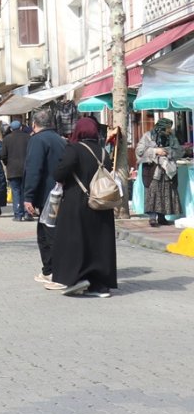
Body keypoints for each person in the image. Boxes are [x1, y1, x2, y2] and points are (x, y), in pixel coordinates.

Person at [49, 118, 118, 297]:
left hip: (77, 202)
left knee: (75, 240)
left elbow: (59, 172)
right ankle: (99, 284)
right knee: (99, 242)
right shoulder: (103, 152)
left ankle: (77, 278)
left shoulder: (75, 149)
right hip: (101, 202)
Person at [22, 110, 67, 286]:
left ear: (34, 124)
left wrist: (28, 196)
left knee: (46, 234)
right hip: (61, 192)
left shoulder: (37, 140)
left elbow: (34, 169)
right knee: (52, 231)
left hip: (46, 195)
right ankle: (52, 269)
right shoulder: (60, 139)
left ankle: (52, 271)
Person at [136, 117, 182, 227]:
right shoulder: (148, 136)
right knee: (153, 192)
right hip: (153, 169)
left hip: (167, 170)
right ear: (161, 128)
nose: (169, 130)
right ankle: (152, 218)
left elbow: (179, 151)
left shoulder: (172, 137)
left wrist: (168, 151)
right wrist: (155, 151)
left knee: (165, 192)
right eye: (167, 128)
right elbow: (139, 151)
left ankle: (162, 217)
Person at [3, 120, 31, 221]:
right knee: (26, 191)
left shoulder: (7, 139)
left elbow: (3, 155)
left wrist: (7, 163)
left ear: (11, 129)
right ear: (21, 128)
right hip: (27, 169)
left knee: (16, 192)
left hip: (12, 169)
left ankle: (18, 215)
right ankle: (28, 213)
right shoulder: (28, 137)